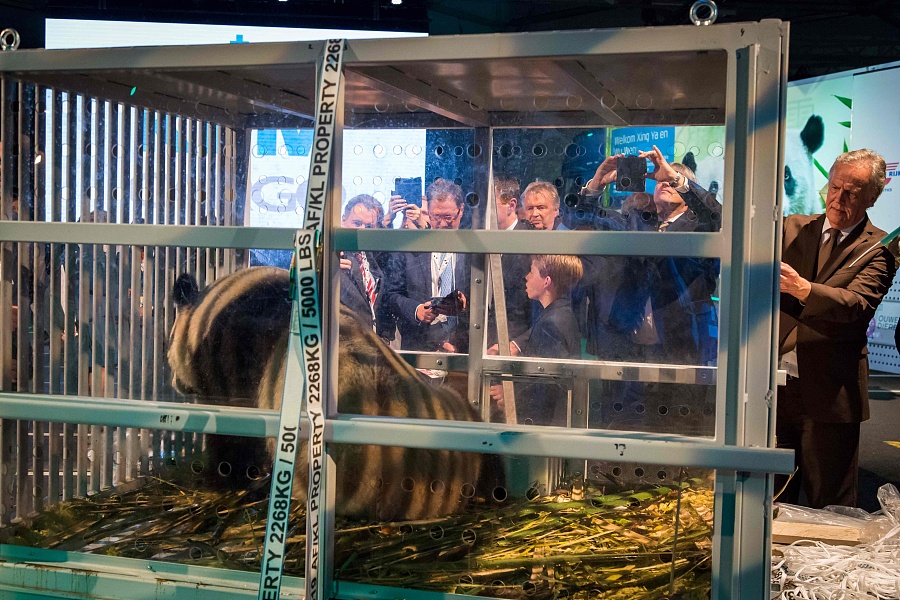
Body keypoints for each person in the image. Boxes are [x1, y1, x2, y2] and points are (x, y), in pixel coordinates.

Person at [777, 149, 899, 508]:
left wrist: (805, 290)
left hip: (831, 392)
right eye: (834, 187)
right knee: (767, 493)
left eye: (852, 192)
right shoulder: (793, 228)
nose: (838, 199)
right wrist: (681, 184)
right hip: (776, 388)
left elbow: (857, 306)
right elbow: (729, 222)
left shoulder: (881, 247)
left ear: (873, 197)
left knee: (829, 503)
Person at [489, 254, 583, 426]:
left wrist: (510, 393)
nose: (527, 277)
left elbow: (548, 385)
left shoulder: (551, 323)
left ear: (546, 281)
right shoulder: (560, 312)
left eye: (532, 273)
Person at [382, 178, 469, 352]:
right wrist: (416, 310)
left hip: (462, 346)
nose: (443, 224)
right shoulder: (409, 248)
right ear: (427, 211)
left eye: (448, 217)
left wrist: (467, 302)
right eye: (436, 217)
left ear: (461, 211)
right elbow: (391, 295)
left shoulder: (473, 249)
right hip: (418, 345)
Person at [338, 194, 384, 331]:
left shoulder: (370, 256)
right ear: (343, 220)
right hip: (340, 343)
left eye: (369, 226)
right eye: (357, 223)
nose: (362, 230)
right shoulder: (333, 255)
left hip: (370, 342)